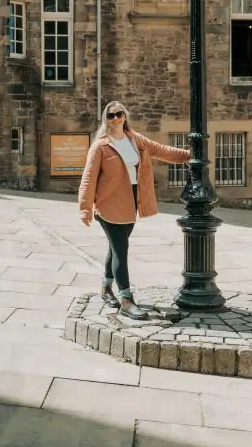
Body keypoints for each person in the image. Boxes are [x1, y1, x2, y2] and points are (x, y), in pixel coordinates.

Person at [78, 101, 190, 320]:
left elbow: (162, 151)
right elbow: (89, 177)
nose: (115, 118)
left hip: (132, 201)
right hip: (109, 203)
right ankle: (126, 300)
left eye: (119, 114)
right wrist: (85, 208)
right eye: (111, 115)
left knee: (115, 245)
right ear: (105, 119)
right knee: (121, 248)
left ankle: (106, 287)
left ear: (125, 116)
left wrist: (189, 155)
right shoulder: (101, 146)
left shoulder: (135, 140)